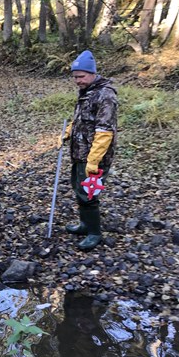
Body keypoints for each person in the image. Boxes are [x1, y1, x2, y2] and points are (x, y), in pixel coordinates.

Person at [58, 50, 118, 251]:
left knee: (89, 193)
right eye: (75, 77)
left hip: (95, 157)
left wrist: (93, 161)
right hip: (80, 151)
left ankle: (94, 232)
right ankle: (84, 224)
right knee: (78, 188)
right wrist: (68, 132)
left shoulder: (105, 95)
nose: (77, 81)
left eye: (81, 76)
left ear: (92, 73)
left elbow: (104, 131)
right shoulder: (87, 91)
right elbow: (80, 118)